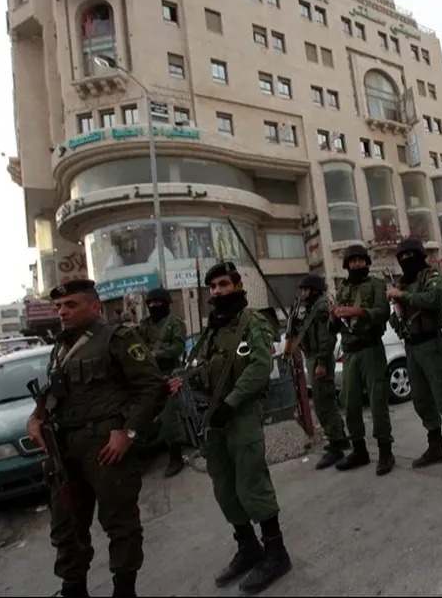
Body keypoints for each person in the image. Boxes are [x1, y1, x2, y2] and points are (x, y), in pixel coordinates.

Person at [25, 279, 166, 598]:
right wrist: (36, 418)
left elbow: (152, 387)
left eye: (71, 305)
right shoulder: (60, 347)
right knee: (66, 527)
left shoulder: (117, 338)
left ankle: (124, 590)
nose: (62, 312)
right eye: (59, 306)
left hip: (105, 446)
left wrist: (128, 432)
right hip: (65, 450)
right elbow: (54, 394)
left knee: (120, 524)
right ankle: (73, 588)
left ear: (94, 306)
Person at [168, 262, 291, 593]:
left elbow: (261, 366)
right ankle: (248, 547)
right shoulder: (212, 329)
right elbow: (203, 366)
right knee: (223, 485)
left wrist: (231, 403)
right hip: (214, 418)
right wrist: (185, 382)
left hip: (241, 414)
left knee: (251, 481)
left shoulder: (254, 322)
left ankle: (276, 553)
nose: (218, 291)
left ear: (237, 286)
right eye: (213, 287)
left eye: (224, 284)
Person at [386, 238, 442, 479]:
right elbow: (397, 319)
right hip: (411, 347)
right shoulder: (403, 282)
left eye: (410, 256)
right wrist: (397, 308)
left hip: (432, 344)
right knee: (421, 400)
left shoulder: (434, 276)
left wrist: (402, 296)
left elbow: (434, 299)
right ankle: (435, 446)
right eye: (401, 258)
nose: (405, 261)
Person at [329, 244, 394, 475]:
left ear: (367, 262)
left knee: (377, 402)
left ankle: (386, 452)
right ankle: (359, 450)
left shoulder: (376, 285)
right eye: (352, 261)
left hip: (371, 349)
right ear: (346, 265)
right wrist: (334, 315)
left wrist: (358, 312)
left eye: (360, 260)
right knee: (350, 402)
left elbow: (383, 312)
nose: (357, 264)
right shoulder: (342, 288)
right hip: (349, 352)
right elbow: (334, 327)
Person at [290, 273, 349, 469]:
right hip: (313, 356)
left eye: (306, 290)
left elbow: (327, 338)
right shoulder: (312, 306)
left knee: (323, 403)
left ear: (314, 290)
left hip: (319, 357)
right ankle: (340, 437)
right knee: (327, 400)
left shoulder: (322, 307)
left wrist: (322, 363)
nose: (303, 293)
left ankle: (336, 446)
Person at [137, 287, 188, 478]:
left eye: (157, 303)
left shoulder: (175, 324)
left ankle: (176, 457)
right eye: (150, 304)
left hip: (169, 374)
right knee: (141, 417)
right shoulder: (144, 326)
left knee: (169, 417)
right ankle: (145, 457)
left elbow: (178, 347)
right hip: (148, 377)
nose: (153, 306)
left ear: (166, 304)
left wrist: (156, 354)